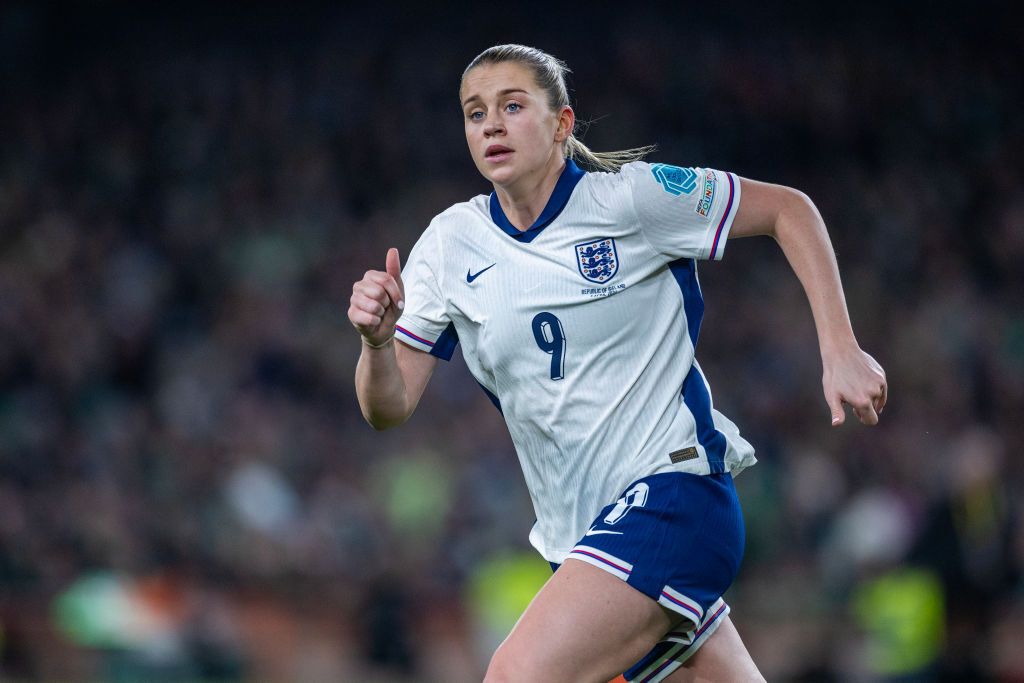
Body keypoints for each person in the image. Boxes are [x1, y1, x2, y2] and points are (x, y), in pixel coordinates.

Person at [348, 44, 887, 683]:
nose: (490, 123)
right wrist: (377, 344)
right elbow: (387, 409)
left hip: (675, 498)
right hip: (584, 539)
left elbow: (786, 208)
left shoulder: (631, 201)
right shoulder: (448, 244)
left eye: (512, 105)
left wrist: (840, 346)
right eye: (474, 112)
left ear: (562, 124)